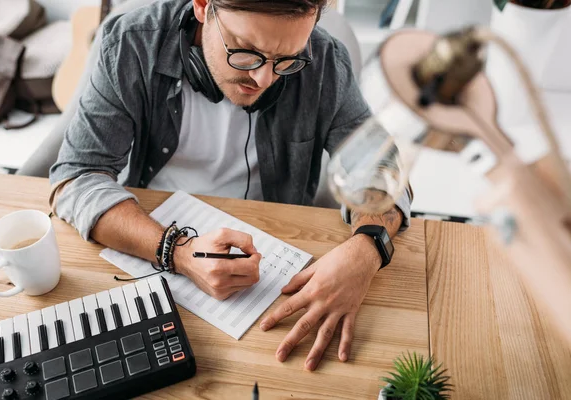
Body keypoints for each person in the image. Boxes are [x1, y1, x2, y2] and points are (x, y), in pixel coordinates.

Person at [49, 0, 412, 371]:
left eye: (286, 60)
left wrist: (367, 249)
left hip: (269, 271)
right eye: (246, 52)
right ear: (204, 6)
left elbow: (383, 171)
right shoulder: (132, 42)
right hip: (146, 244)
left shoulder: (325, 60)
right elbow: (77, 177)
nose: (264, 80)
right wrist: (176, 251)